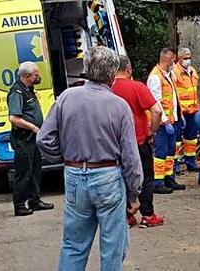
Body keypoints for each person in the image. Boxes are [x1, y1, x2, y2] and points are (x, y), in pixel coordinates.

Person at [37, 46, 143, 271]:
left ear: (86, 69)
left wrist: (66, 156)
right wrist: (134, 194)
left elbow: (43, 139)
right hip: (108, 177)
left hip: (74, 176)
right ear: (113, 74)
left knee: (74, 245)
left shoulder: (66, 98)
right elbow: (131, 157)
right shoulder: (119, 106)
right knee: (113, 245)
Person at [111, 55, 165, 229]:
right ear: (129, 69)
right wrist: (152, 130)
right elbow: (156, 110)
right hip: (139, 141)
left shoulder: (106, 88)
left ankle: (127, 216)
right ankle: (148, 215)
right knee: (146, 177)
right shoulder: (137, 87)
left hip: (115, 143)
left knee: (121, 178)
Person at [7, 61, 54, 216]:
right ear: (27, 76)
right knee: (23, 173)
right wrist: (34, 128)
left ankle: (35, 200)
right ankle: (19, 205)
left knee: (35, 171)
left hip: (33, 139)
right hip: (23, 139)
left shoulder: (28, 90)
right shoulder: (17, 92)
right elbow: (14, 118)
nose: (38, 77)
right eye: (36, 75)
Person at [146, 49, 185, 192]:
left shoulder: (167, 75)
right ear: (168, 60)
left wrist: (177, 117)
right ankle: (158, 182)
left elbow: (172, 99)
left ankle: (169, 178)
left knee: (170, 152)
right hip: (162, 123)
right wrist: (165, 121)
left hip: (172, 120)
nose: (174, 64)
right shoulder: (155, 77)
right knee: (161, 153)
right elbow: (156, 102)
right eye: (173, 61)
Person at [173, 48, 200, 172]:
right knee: (177, 139)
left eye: (189, 57)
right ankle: (175, 163)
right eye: (185, 58)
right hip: (181, 111)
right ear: (179, 58)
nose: (188, 60)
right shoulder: (174, 72)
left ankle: (190, 161)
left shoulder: (192, 71)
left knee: (191, 138)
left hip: (193, 110)